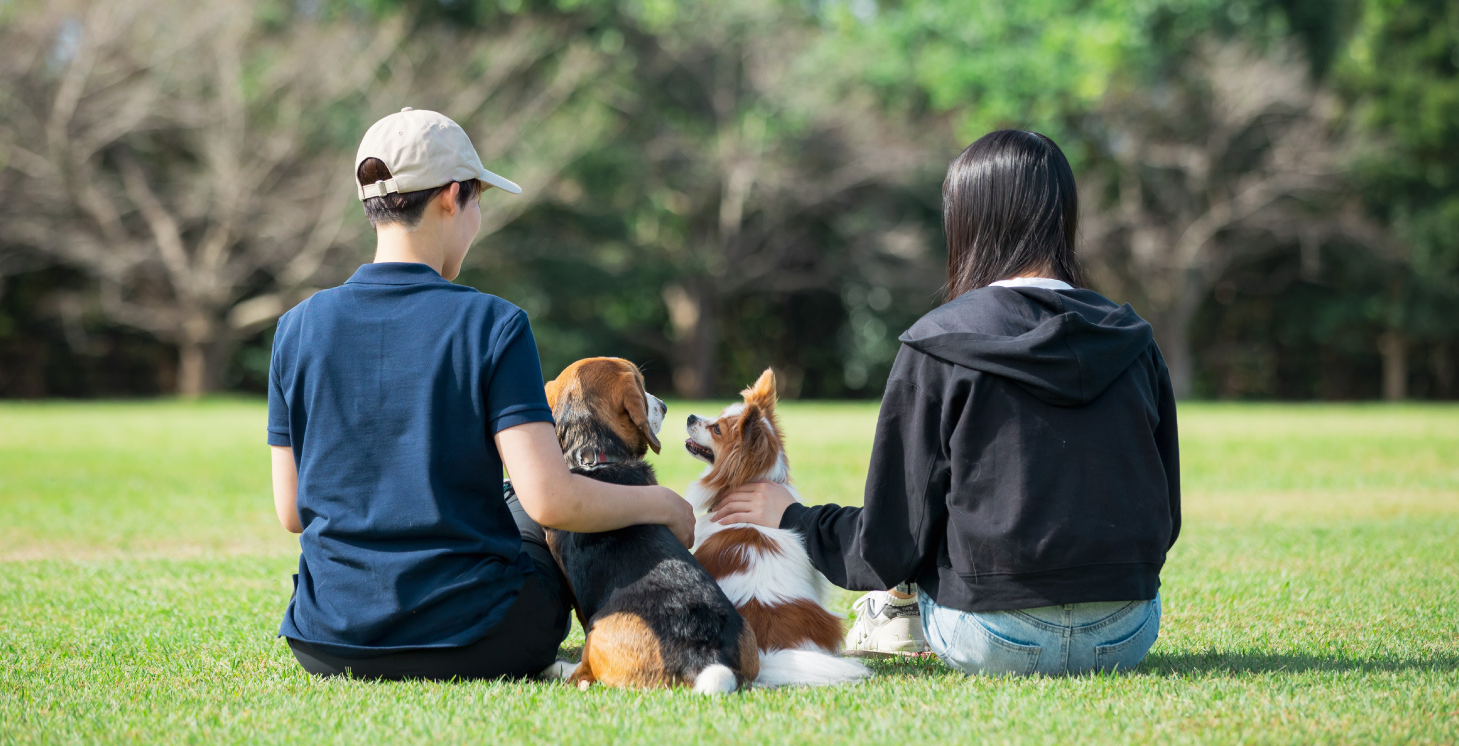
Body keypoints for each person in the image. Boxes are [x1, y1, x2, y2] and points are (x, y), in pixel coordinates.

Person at [711, 130, 1180, 676]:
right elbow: (1163, 516)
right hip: (1126, 631)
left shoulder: (938, 341)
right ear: (1064, 217)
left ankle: (895, 616)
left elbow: (892, 541)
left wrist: (795, 517)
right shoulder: (1133, 341)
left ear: (966, 222)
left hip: (991, 636)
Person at [266, 108, 694, 681]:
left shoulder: (296, 327)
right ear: (451, 196)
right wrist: (662, 504)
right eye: (478, 200)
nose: (477, 219)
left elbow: (292, 511)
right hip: (478, 638)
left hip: (326, 641)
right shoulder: (493, 324)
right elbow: (551, 502)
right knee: (532, 511)